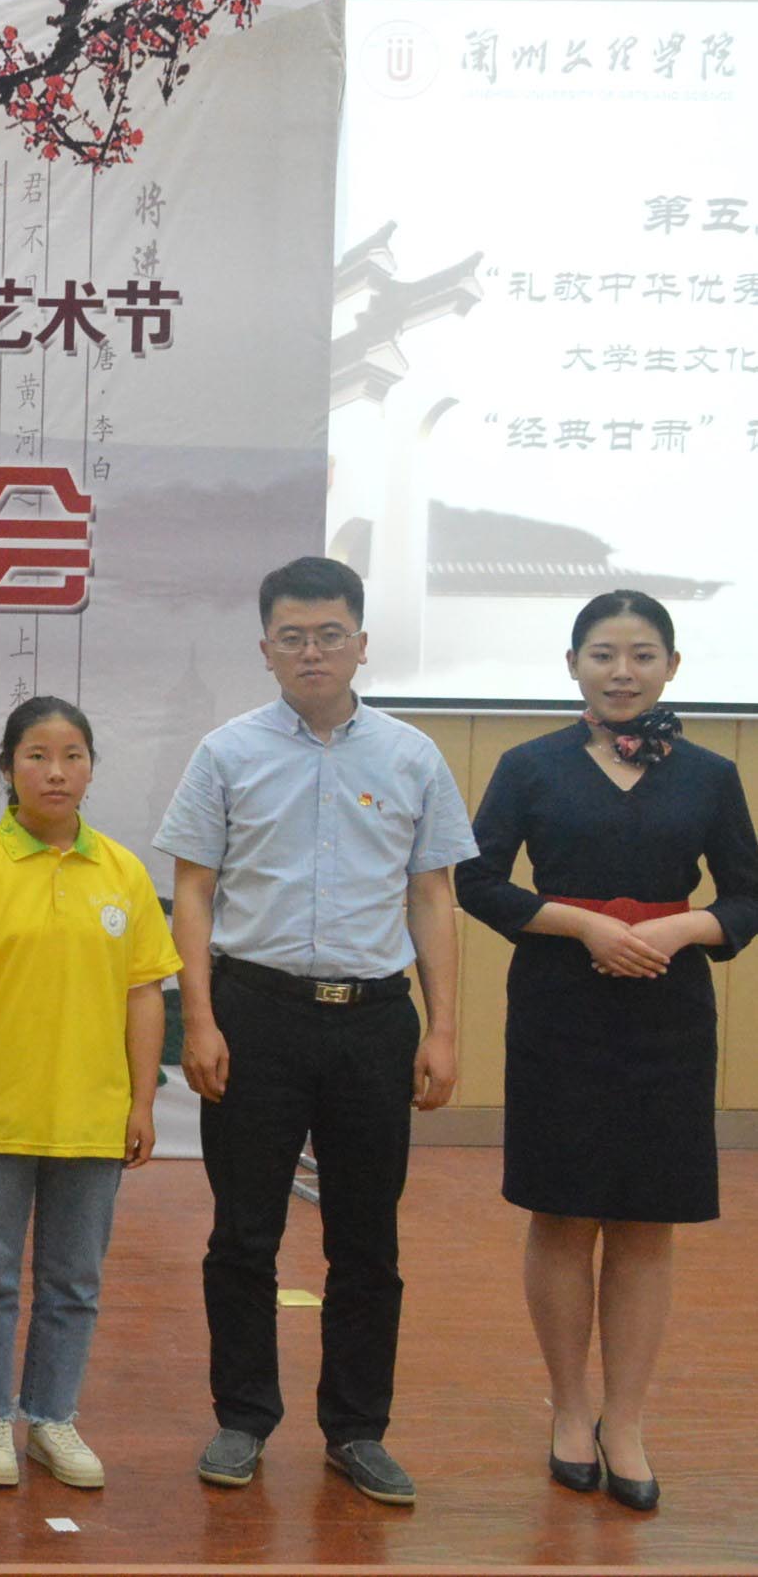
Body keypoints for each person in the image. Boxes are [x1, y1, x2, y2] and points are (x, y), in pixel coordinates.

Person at [154, 555, 474, 1506]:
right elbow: (192, 891)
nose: (311, 652)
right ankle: (242, 1418)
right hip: (254, 1015)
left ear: (361, 644)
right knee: (242, 1234)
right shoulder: (225, 753)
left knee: (366, 1241)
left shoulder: (411, 756)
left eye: (329, 634)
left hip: (373, 1021)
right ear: (264, 649)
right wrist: (198, 1018)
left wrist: (443, 1030)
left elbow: (431, 896)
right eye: (291, 637)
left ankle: (357, 1430)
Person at [455, 591, 757, 1512]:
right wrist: (581, 925)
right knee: (562, 1212)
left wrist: (682, 930)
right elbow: (474, 879)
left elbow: (747, 896)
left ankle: (624, 1420)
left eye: (640, 654)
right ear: (572, 665)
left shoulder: (709, 776)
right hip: (559, 1008)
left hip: (668, 1012)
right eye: (601, 654)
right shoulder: (528, 765)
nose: (620, 671)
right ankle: (569, 1406)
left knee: (644, 1221)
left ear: (671, 666)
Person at [0, 698, 182, 1492]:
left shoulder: (122, 872)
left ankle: (52, 1415)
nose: (55, 772)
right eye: (35, 755)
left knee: (73, 1282)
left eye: (72, 755)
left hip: (90, 1116)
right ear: (6, 768)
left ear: (92, 768)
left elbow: (144, 992)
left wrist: (140, 1103)